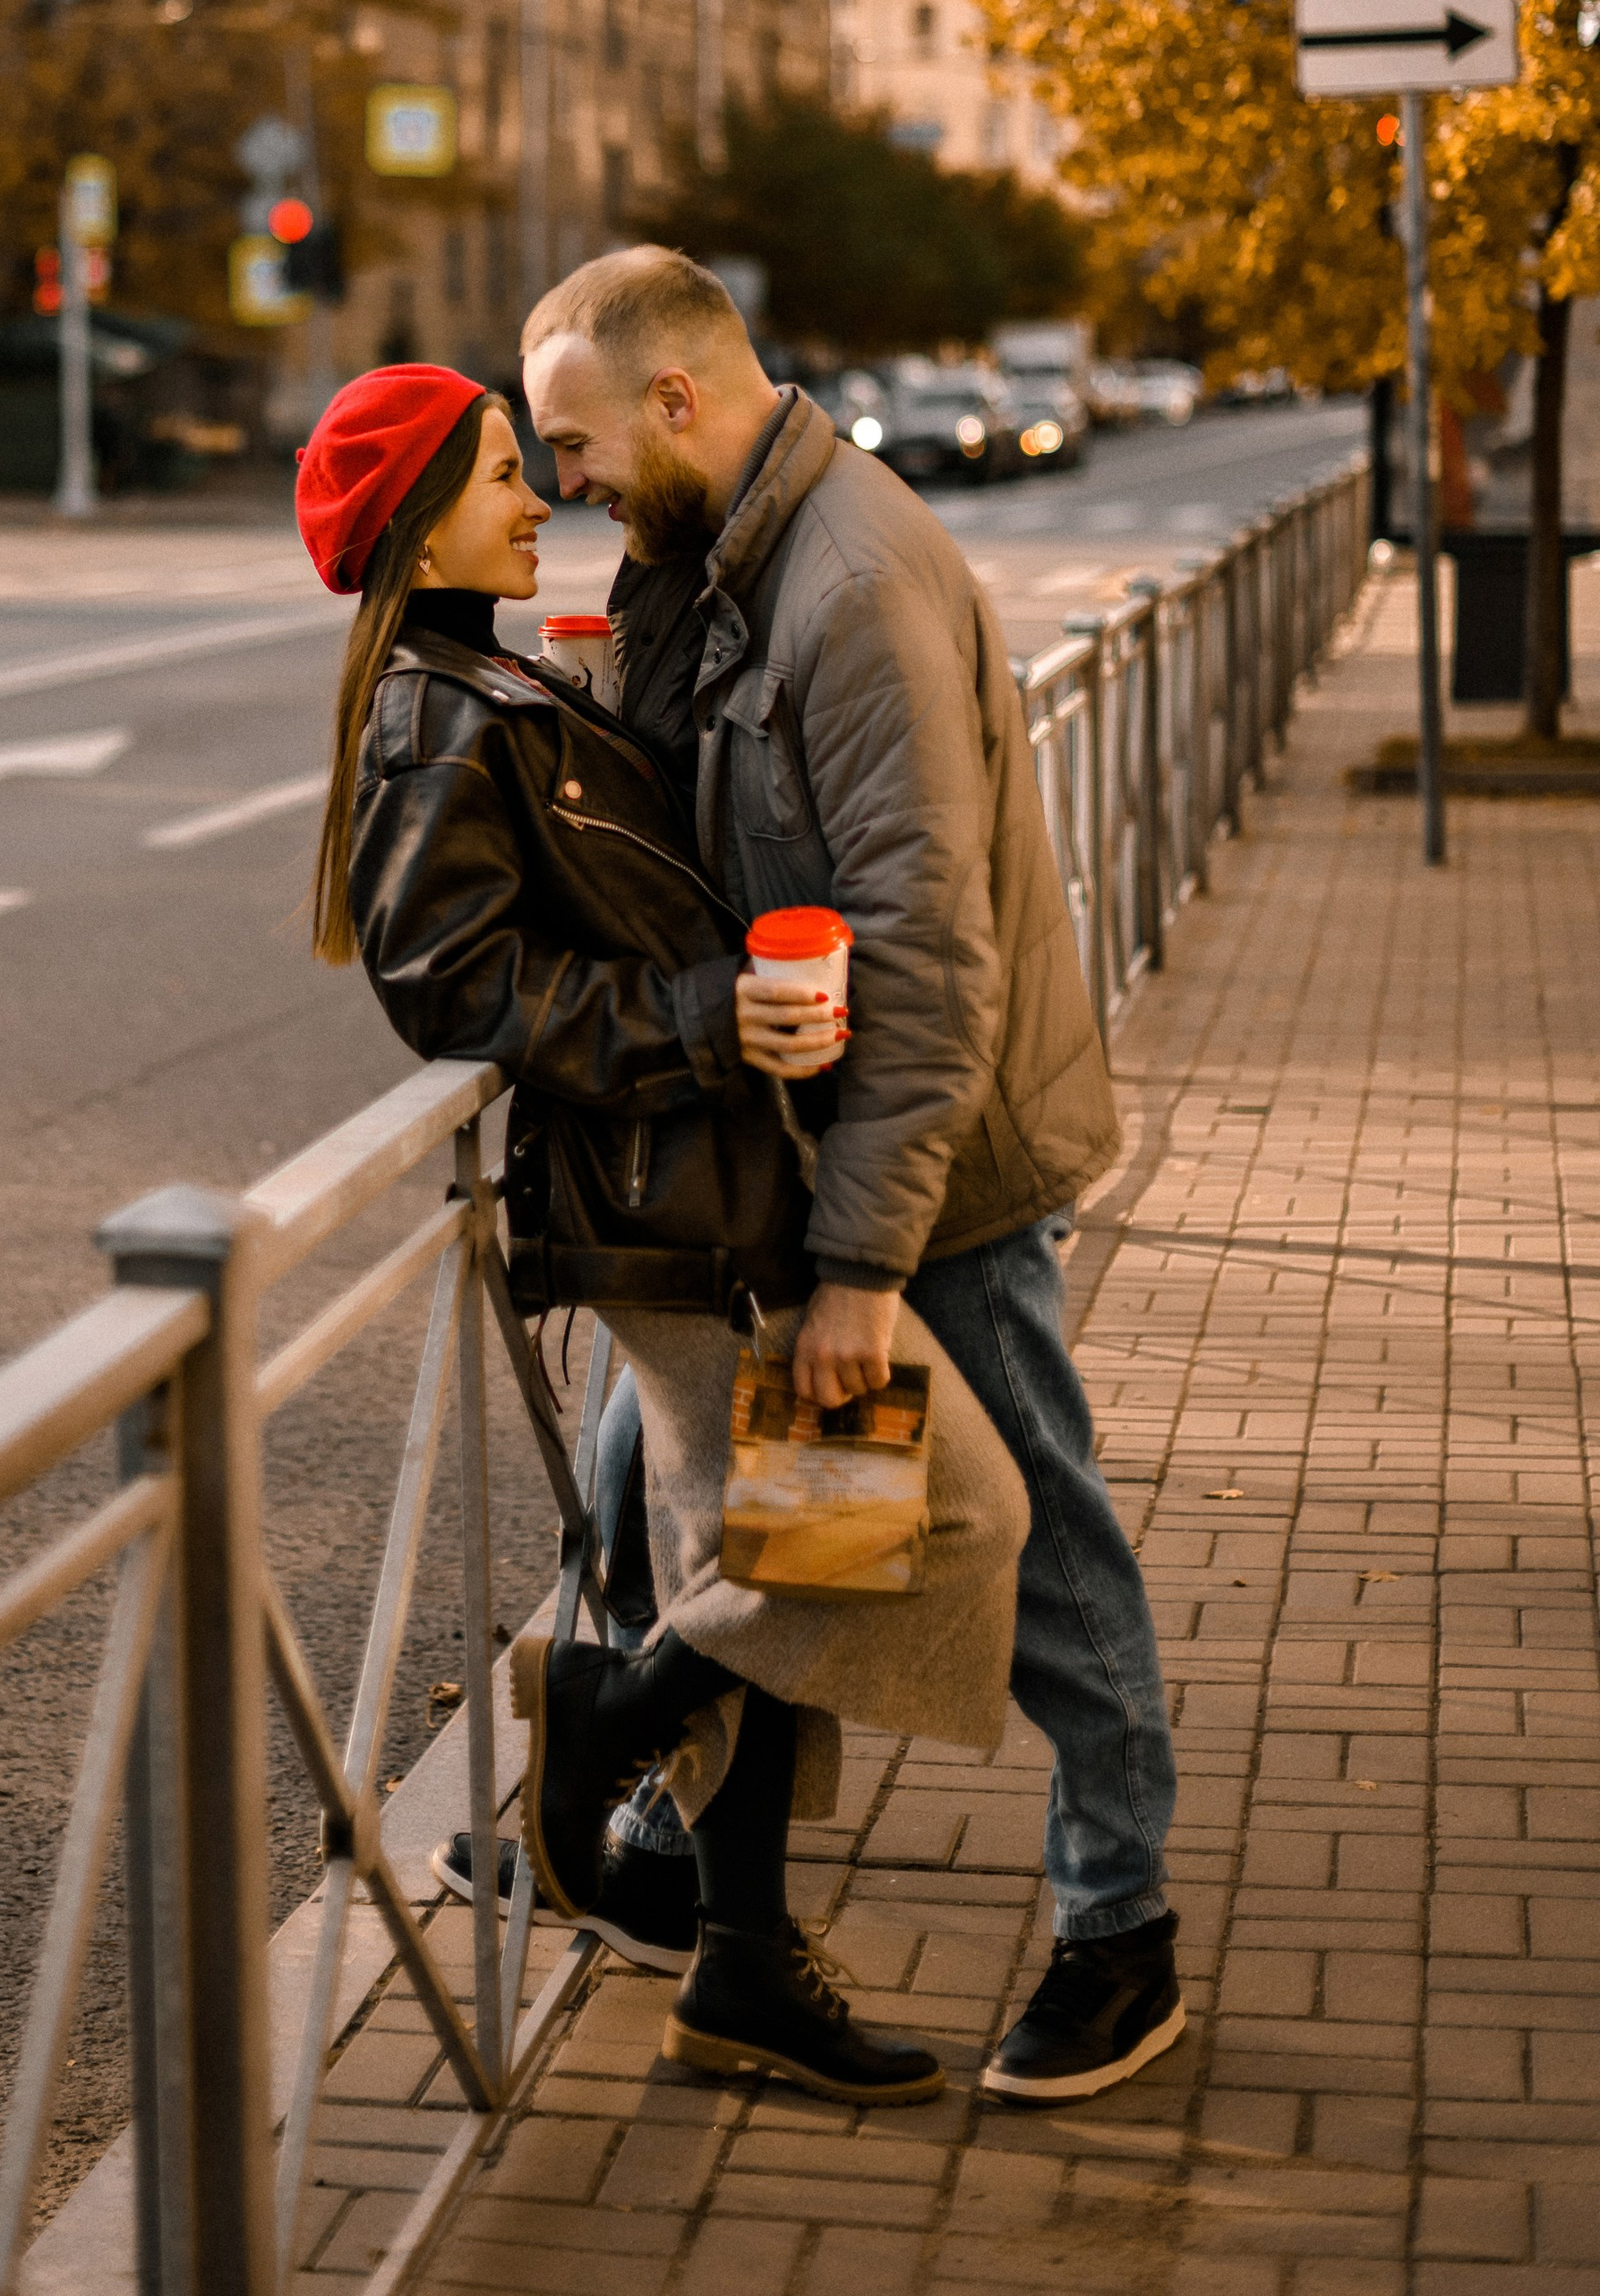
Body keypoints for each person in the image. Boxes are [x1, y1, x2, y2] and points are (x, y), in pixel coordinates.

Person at [297, 361, 1031, 2107]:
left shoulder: (504, 673)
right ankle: (606, 1725)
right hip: (666, 1211)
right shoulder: (436, 715)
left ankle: (737, 1953)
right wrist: (707, 1015)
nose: (533, 496)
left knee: (811, 1543)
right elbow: (451, 985)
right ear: (418, 524)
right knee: (915, 1518)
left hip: (729, 1186)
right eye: (497, 474)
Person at [519, 251, 1185, 2110]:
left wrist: (861, 1265)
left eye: (573, 442)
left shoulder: (853, 581)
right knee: (758, 1502)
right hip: (805, 1155)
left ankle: (1117, 1934)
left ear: (674, 401)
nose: (563, 479)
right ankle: (698, 1888)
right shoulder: (709, 557)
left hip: (935, 1162)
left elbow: (928, 946)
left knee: (1031, 1533)